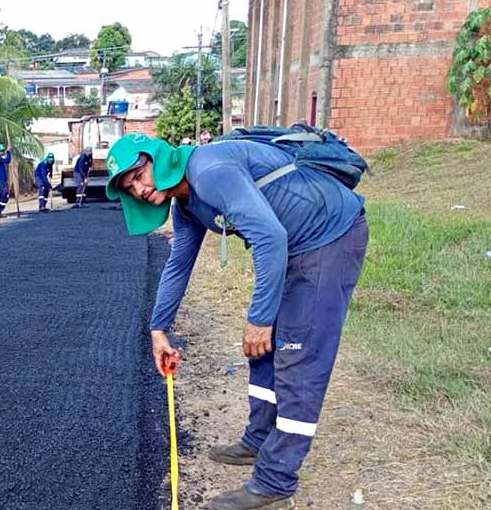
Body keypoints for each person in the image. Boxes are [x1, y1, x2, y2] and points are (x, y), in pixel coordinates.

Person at [105, 133, 368, 510]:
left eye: (138, 173)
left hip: (330, 236)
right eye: (129, 186)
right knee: (262, 350)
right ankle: (258, 440)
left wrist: (259, 318)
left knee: (298, 355)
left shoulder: (209, 172)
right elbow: (179, 263)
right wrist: (158, 329)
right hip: (294, 246)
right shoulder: (187, 204)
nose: (138, 188)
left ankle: (275, 482)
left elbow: (270, 238)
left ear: (157, 159)